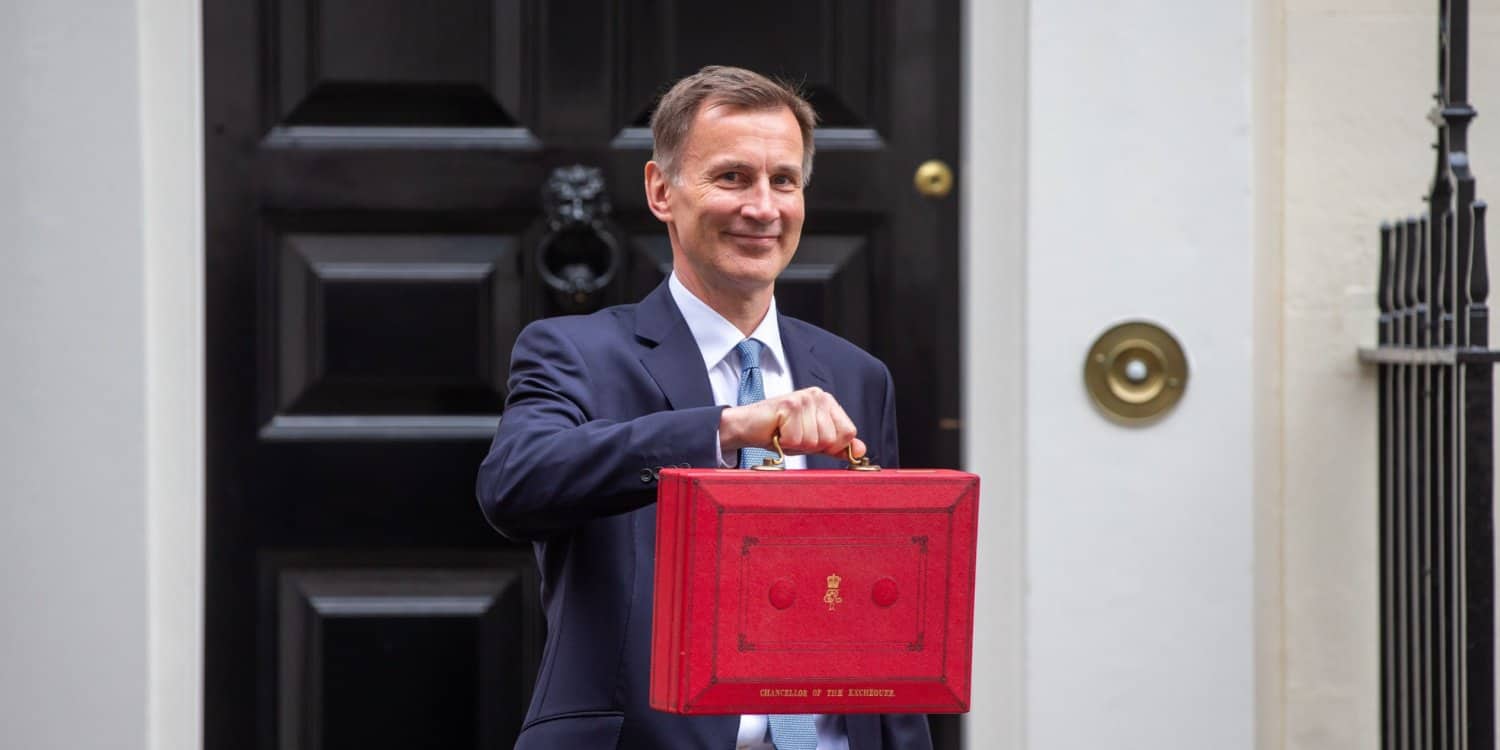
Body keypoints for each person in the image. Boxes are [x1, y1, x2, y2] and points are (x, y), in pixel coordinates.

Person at [477, 65, 933, 750]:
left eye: (783, 180)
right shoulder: (576, 351)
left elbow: (884, 614)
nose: (763, 207)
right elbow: (515, 484)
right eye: (732, 178)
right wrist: (724, 430)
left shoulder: (855, 376)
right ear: (662, 191)